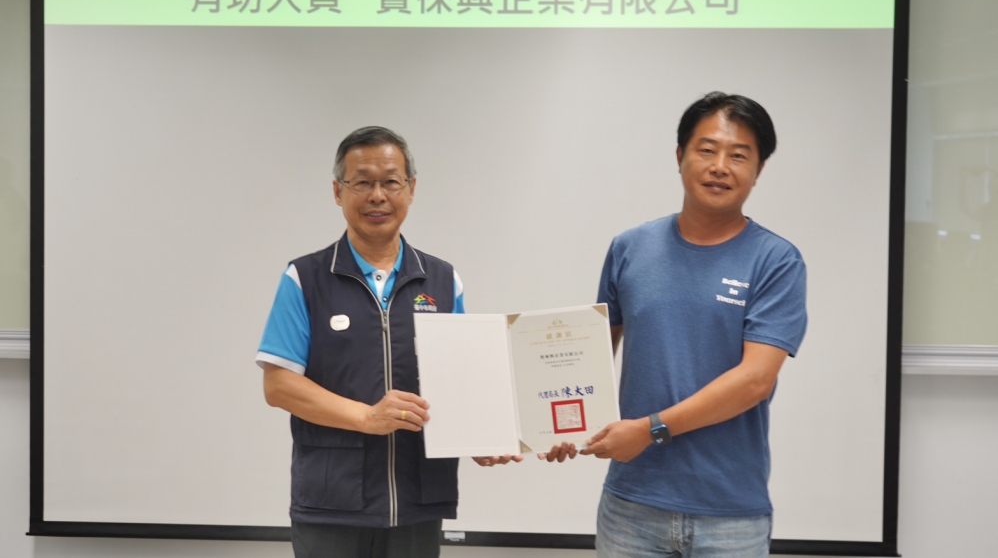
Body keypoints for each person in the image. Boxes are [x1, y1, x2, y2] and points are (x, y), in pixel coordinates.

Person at [256, 126, 518, 558]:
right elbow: (279, 385)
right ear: (338, 192)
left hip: (418, 502)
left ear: (411, 189)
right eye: (362, 182)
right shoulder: (305, 278)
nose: (377, 196)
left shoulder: (443, 280)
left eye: (391, 182)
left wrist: (479, 438)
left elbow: (458, 382)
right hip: (332, 504)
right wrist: (366, 417)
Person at [579, 92, 808, 557]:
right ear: (680, 155)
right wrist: (558, 427)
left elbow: (755, 380)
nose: (720, 166)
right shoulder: (630, 248)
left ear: (758, 170)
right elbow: (592, 356)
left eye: (738, 155)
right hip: (630, 506)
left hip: (729, 515)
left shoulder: (775, 260)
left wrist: (650, 430)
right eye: (707, 150)